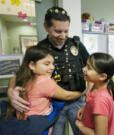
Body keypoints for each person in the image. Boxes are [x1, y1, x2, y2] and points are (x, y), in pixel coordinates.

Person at [8, 7, 89, 135]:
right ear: (46, 27)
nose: (63, 36)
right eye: (57, 31)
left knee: (82, 131)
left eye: (66, 31)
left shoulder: (77, 45)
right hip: (53, 104)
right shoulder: (40, 48)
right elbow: (20, 73)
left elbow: (92, 67)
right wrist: (11, 91)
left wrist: (92, 89)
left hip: (77, 101)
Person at [0, 46, 84, 135]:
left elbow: (14, 77)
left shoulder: (23, 76)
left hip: (24, 120)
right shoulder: (43, 81)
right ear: (32, 65)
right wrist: (83, 92)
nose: (52, 67)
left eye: (53, 64)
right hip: (38, 122)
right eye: (47, 64)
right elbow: (67, 95)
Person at [75, 53, 114, 135]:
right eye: (85, 65)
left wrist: (81, 127)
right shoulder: (97, 86)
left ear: (102, 77)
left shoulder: (100, 100)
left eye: (89, 67)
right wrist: (84, 108)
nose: (84, 69)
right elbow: (91, 101)